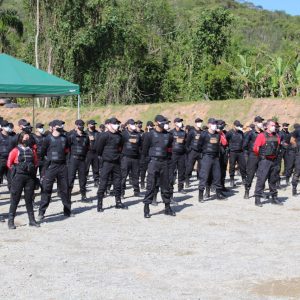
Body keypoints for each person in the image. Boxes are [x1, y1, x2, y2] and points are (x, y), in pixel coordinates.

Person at [38, 120, 72, 220]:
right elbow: (42, 153)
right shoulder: (47, 138)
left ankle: (67, 211)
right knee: (46, 189)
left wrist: (66, 163)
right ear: (53, 127)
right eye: (59, 125)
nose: (61, 126)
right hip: (50, 167)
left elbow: (67, 151)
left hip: (62, 166)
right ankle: (41, 212)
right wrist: (48, 162)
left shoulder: (65, 138)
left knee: (65, 189)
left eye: (62, 124)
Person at [142, 115, 176, 218]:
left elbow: (170, 150)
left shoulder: (169, 135)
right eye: (162, 122)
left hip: (164, 163)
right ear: (156, 122)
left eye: (165, 122)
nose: (164, 124)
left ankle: (167, 207)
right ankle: (147, 208)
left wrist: (168, 162)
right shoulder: (149, 135)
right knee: (151, 185)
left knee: (166, 186)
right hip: (153, 163)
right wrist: (147, 163)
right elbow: (144, 151)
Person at [6, 132, 40, 229]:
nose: (27, 140)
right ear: (21, 139)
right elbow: (9, 163)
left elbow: (36, 162)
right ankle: (10, 221)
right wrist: (16, 169)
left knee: (29, 199)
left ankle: (32, 220)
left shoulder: (32, 150)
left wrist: (32, 168)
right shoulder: (15, 150)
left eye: (28, 138)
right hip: (19, 177)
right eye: (25, 138)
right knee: (15, 199)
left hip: (30, 177)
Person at [94, 117, 127, 212]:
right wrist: (104, 157)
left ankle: (118, 202)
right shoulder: (104, 135)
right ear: (109, 125)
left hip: (116, 163)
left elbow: (121, 147)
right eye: (115, 123)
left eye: (117, 123)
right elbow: (98, 149)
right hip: (106, 163)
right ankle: (99, 204)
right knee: (103, 183)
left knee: (118, 183)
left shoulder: (119, 136)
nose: (117, 125)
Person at [253, 119, 283, 207]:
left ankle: (274, 198)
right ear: (267, 126)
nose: (274, 127)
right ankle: (257, 198)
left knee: (273, 180)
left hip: (274, 160)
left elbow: (278, 146)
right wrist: (262, 157)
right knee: (261, 179)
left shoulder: (277, 136)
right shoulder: (261, 135)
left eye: (275, 126)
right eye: (272, 125)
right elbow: (256, 148)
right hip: (265, 160)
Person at [198, 118, 227, 202]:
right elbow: (199, 145)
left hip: (215, 157)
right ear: (209, 124)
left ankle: (218, 194)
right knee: (204, 176)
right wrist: (203, 155)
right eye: (213, 123)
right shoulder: (204, 134)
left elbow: (219, 145)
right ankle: (200, 196)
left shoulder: (218, 134)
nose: (215, 125)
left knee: (217, 175)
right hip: (207, 157)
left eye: (216, 123)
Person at [68, 120, 90, 202]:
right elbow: (67, 148)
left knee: (83, 179)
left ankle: (83, 196)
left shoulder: (86, 136)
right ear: (76, 126)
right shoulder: (71, 135)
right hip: (73, 159)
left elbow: (87, 147)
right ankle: (68, 197)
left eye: (82, 125)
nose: (81, 127)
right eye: (80, 125)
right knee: (70, 179)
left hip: (82, 160)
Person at [243, 116, 264, 199]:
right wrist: (247, 157)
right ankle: (247, 191)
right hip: (253, 156)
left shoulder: (263, 133)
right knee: (250, 175)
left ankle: (259, 192)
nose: (260, 123)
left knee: (261, 175)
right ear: (255, 123)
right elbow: (244, 146)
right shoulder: (250, 133)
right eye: (259, 122)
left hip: (262, 156)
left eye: (261, 121)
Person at [121, 119, 141, 198]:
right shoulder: (123, 134)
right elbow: (120, 144)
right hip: (126, 157)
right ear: (128, 125)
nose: (134, 125)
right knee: (123, 176)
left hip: (135, 157)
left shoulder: (138, 134)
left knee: (135, 176)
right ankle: (122, 192)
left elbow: (140, 145)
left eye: (134, 124)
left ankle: (136, 191)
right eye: (132, 124)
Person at [226, 120, 247, 187]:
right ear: (234, 125)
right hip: (232, 152)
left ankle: (244, 179)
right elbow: (226, 141)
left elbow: (243, 141)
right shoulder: (229, 133)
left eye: (239, 125)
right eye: (237, 125)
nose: (238, 127)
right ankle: (232, 180)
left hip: (240, 152)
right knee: (232, 166)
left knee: (243, 166)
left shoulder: (241, 133)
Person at [170, 117, 187, 194]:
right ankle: (171, 187)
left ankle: (181, 188)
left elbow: (186, 143)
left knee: (181, 172)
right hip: (173, 154)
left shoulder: (184, 133)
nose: (180, 123)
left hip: (182, 155)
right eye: (179, 122)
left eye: (181, 121)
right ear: (175, 123)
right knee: (172, 171)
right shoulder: (171, 132)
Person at [185, 118, 203, 187]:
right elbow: (187, 142)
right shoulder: (192, 132)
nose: (200, 123)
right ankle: (187, 181)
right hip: (193, 151)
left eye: (201, 122)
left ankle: (200, 180)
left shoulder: (202, 132)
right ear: (195, 123)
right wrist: (189, 150)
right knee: (189, 167)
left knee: (201, 167)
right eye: (198, 122)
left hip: (200, 151)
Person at [140, 121, 154, 190]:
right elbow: (141, 144)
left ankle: (147, 183)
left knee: (149, 171)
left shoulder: (151, 134)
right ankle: (142, 183)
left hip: (150, 154)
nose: (152, 128)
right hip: (145, 154)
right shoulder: (144, 134)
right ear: (148, 126)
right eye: (151, 126)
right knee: (143, 170)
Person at [85, 120, 99, 187]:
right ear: (88, 125)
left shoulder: (97, 133)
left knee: (96, 168)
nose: (93, 125)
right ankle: (84, 181)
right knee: (86, 168)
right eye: (92, 124)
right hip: (88, 153)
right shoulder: (85, 133)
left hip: (95, 153)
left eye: (94, 124)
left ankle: (96, 181)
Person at [0, 120, 13, 191]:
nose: (7, 127)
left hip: (10, 160)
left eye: (8, 125)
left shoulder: (12, 136)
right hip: (1, 160)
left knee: (11, 179)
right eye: (5, 126)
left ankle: (13, 196)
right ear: (2, 127)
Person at [291, 123, 300, 196]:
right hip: (299, 154)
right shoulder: (297, 131)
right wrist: (297, 147)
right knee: (297, 171)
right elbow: (292, 140)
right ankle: (294, 189)